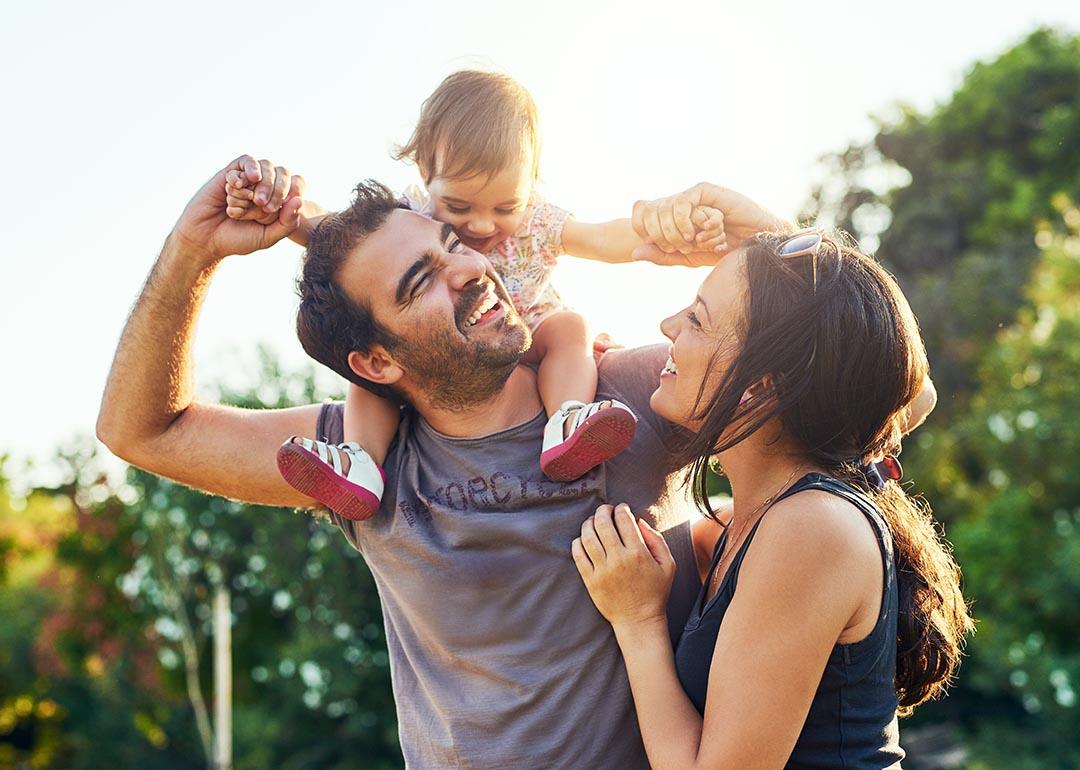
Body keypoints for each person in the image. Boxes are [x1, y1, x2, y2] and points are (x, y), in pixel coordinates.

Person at [97, 156, 725, 769]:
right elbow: (142, 430)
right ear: (376, 365)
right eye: (421, 279)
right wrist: (192, 248)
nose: (472, 268)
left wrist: (744, 230)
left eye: (453, 244)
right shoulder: (358, 463)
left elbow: (807, 348)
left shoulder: (632, 396)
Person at [572, 184, 973, 769]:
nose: (666, 323)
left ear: (762, 386)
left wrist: (638, 621)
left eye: (698, 320)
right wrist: (778, 247)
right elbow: (901, 386)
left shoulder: (811, 528)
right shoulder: (767, 514)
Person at [224, 70, 727, 519]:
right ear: (425, 171)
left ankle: (568, 419)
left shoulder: (537, 221)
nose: (483, 225)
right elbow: (326, 226)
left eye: (505, 205)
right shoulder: (410, 219)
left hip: (526, 333)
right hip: (448, 349)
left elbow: (601, 237)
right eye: (459, 206)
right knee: (378, 372)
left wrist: (662, 233)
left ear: (530, 185)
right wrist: (277, 202)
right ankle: (360, 461)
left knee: (571, 328)